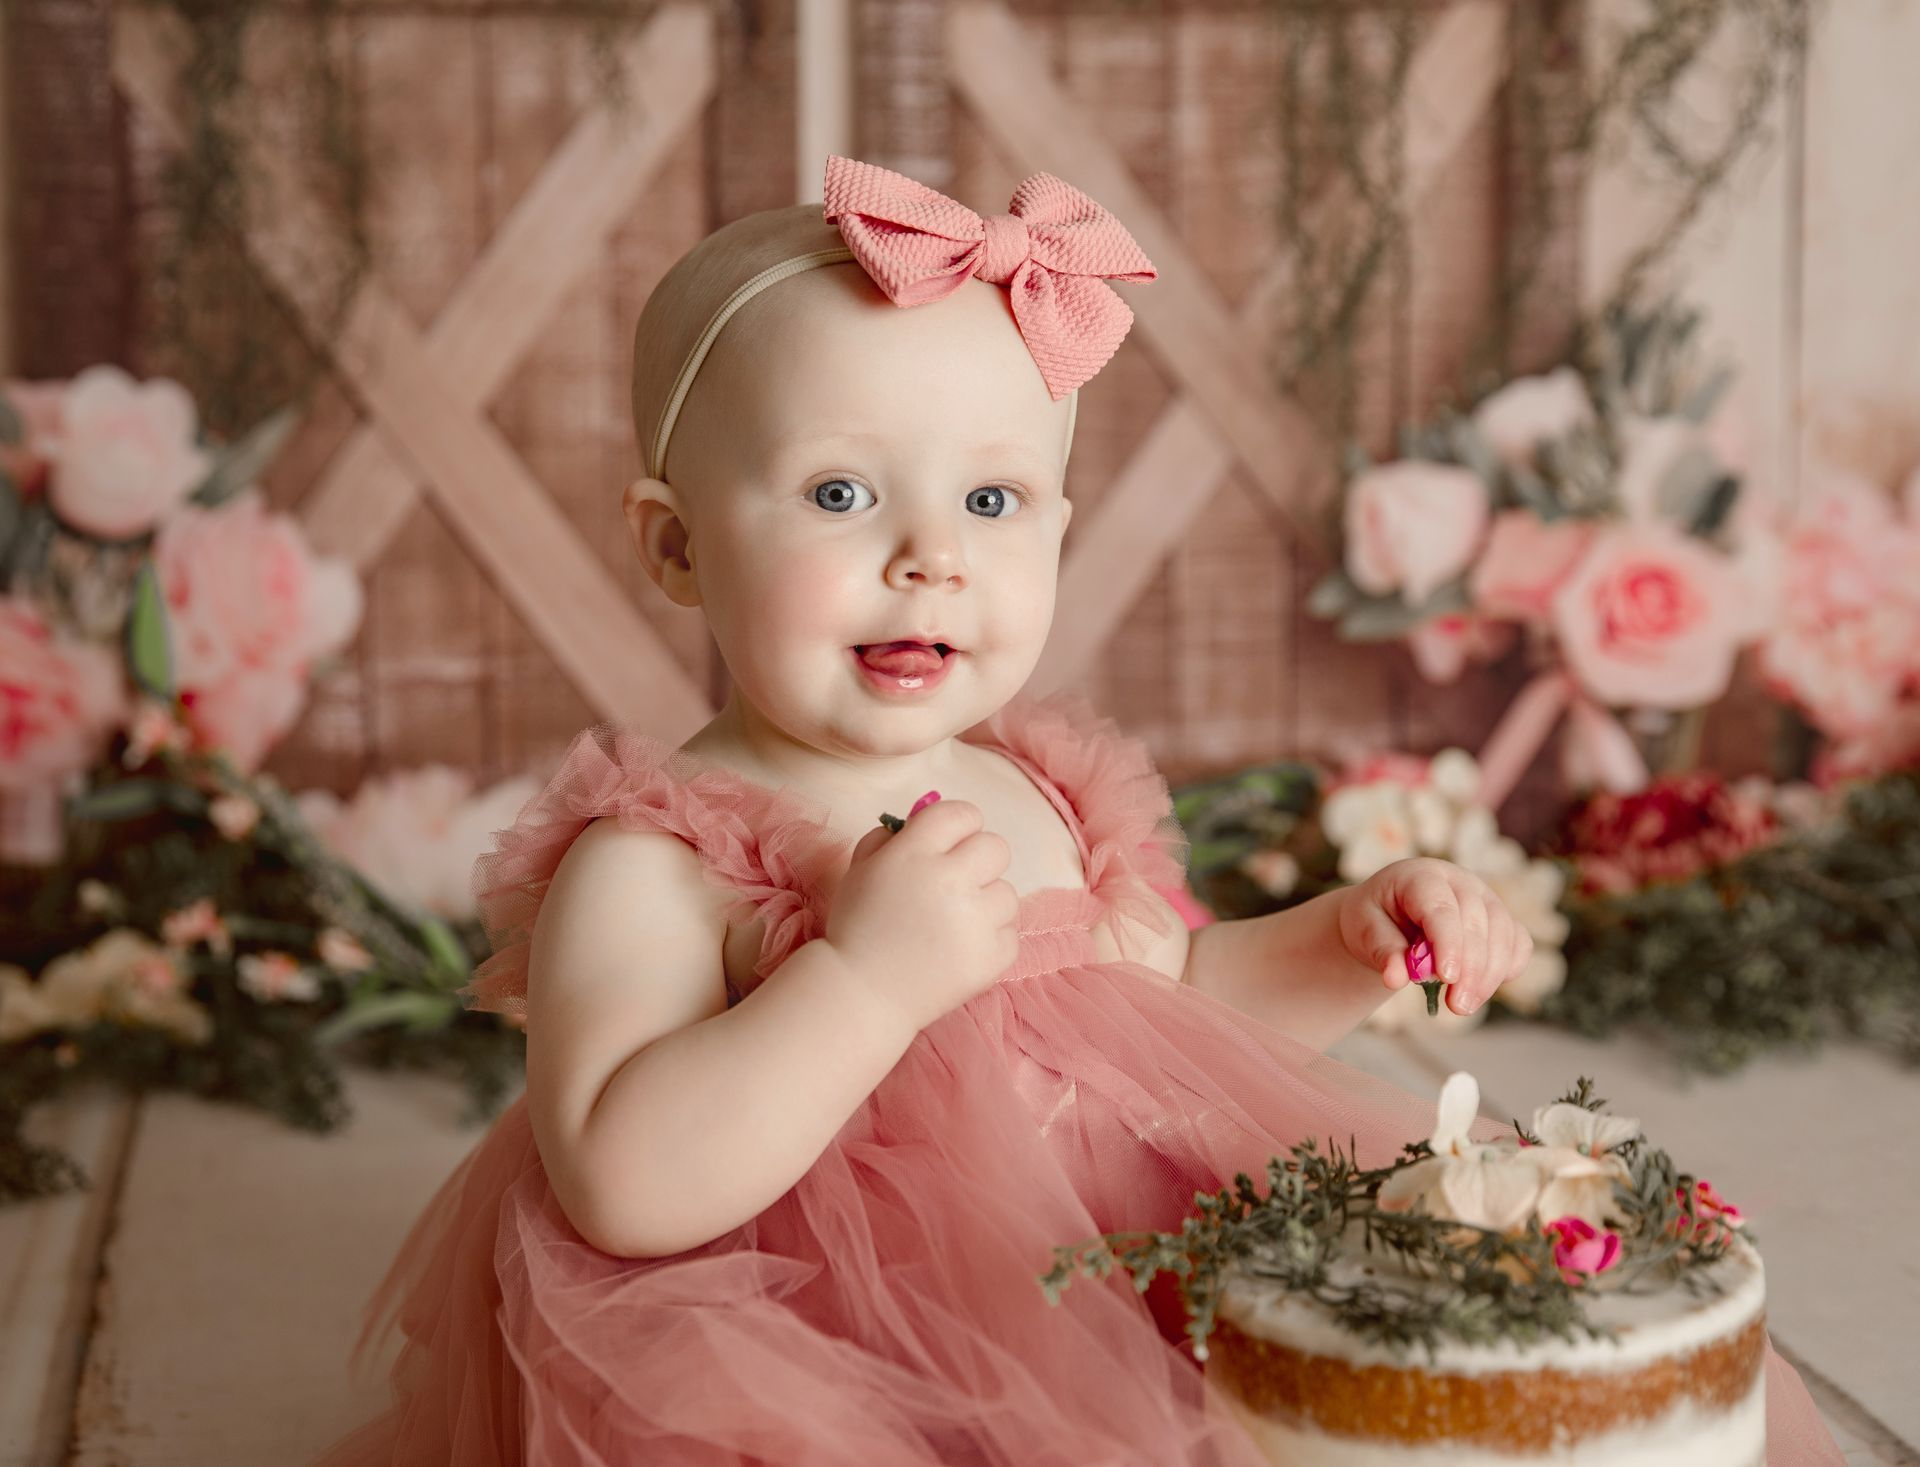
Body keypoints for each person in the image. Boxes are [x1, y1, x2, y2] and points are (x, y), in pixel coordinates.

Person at [309, 156, 1844, 1465]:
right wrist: (862, 980)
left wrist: (1347, 947)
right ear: (677, 547)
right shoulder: (661, 859)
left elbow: (1159, 1016)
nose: (930, 560)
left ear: (1053, 526)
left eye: (988, 503)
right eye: (843, 495)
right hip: (820, 1368)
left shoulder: (1040, 791)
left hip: (1108, 1312)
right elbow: (625, 1185)